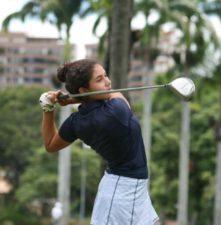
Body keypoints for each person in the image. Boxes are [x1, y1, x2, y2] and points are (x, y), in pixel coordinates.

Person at [39, 59, 160, 225]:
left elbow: (51, 144)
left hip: (127, 187)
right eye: (99, 79)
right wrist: (74, 100)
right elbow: (117, 95)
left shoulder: (76, 121)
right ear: (84, 90)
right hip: (121, 192)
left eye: (105, 75)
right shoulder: (115, 111)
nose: (108, 81)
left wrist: (48, 108)